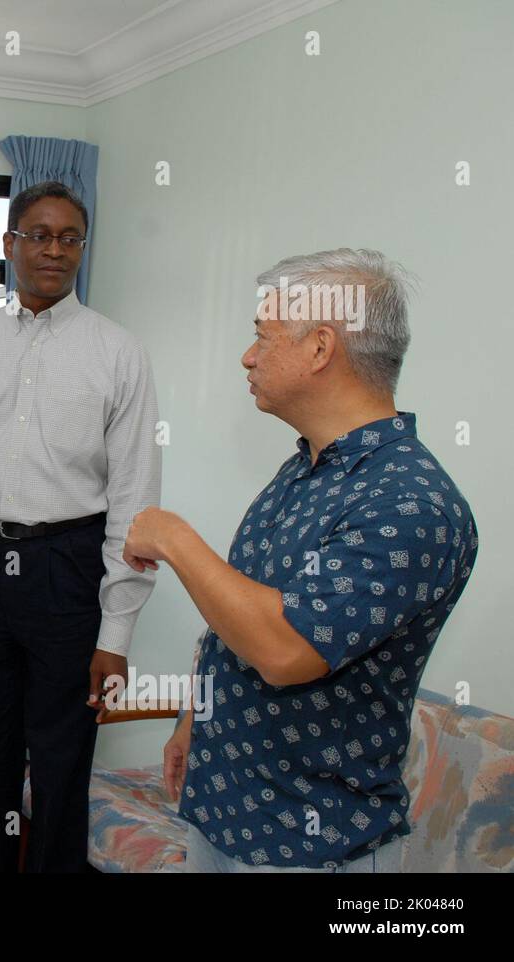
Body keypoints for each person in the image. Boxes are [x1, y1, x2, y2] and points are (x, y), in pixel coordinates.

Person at [132, 249, 478, 871]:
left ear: (320, 348)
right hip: (224, 814)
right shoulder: (305, 469)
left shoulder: (411, 502)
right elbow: (241, 611)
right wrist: (195, 717)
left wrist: (173, 538)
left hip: (309, 846)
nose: (248, 355)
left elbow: (288, 649)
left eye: (262, 335)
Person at [0, 181, 162, 872]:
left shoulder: (117, 352)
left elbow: (134, 505)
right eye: (38, 234)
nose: (54, 248)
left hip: (70, 568)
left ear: (83, 247)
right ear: (10, 244)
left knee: (60, 763)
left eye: (69, 236)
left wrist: (116, 635)